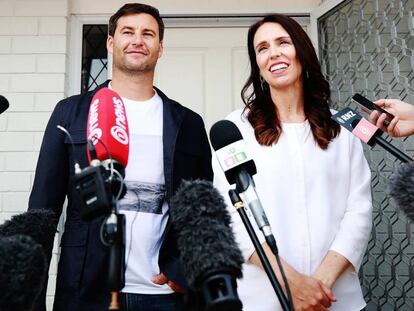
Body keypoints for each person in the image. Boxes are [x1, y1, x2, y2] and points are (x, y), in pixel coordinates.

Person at [28, 3, 212, 311]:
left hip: (165, 294)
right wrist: (30, 297)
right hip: (85, 288)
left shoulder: (188, 123)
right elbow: (42, 209)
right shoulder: (70, 113)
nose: (138, 40)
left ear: (160, 47)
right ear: (111, 42)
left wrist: (188, 268)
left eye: (148, 34)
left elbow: (203, 207)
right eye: (128, 32)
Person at [213, 14, 372, 311]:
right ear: (258, 66)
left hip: (336, 298)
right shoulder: (236, 130)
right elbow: (231, 216)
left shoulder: (341, 130)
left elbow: (358, 210)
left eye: (283, 42)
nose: (273, 52)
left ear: (301, 51)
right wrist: (293, 284)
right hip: (263, 299)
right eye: (262, 48)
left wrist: (319, 286)